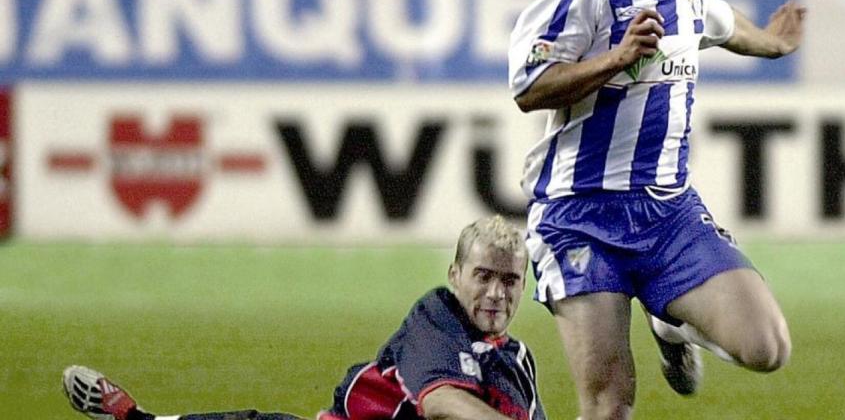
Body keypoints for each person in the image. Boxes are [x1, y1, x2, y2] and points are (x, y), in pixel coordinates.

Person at [507, 0, 803, 420]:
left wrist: (773, 44)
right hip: (579, 214)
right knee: (610, 404)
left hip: (669, 212)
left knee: (768, 348)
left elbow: (721, 23)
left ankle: (669, 321)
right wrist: (617, 58)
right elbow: (527, 87)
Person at [61, 215, 546, 420]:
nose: (495, 293)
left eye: (509, 281)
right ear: (455, 275)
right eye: (483, 276)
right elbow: (443, 402)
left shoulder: (520, 362)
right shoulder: (437, 317)